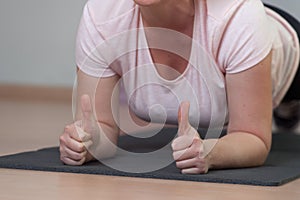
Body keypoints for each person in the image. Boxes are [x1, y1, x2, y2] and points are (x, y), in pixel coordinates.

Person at [59, 0, 300, 174]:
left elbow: (253, 137)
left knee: (284, 99)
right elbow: (101, 128)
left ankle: (288, 108)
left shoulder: (239, 16)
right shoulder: (101, 16)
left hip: (283, 49)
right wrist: (85, 143)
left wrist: (210, 153)